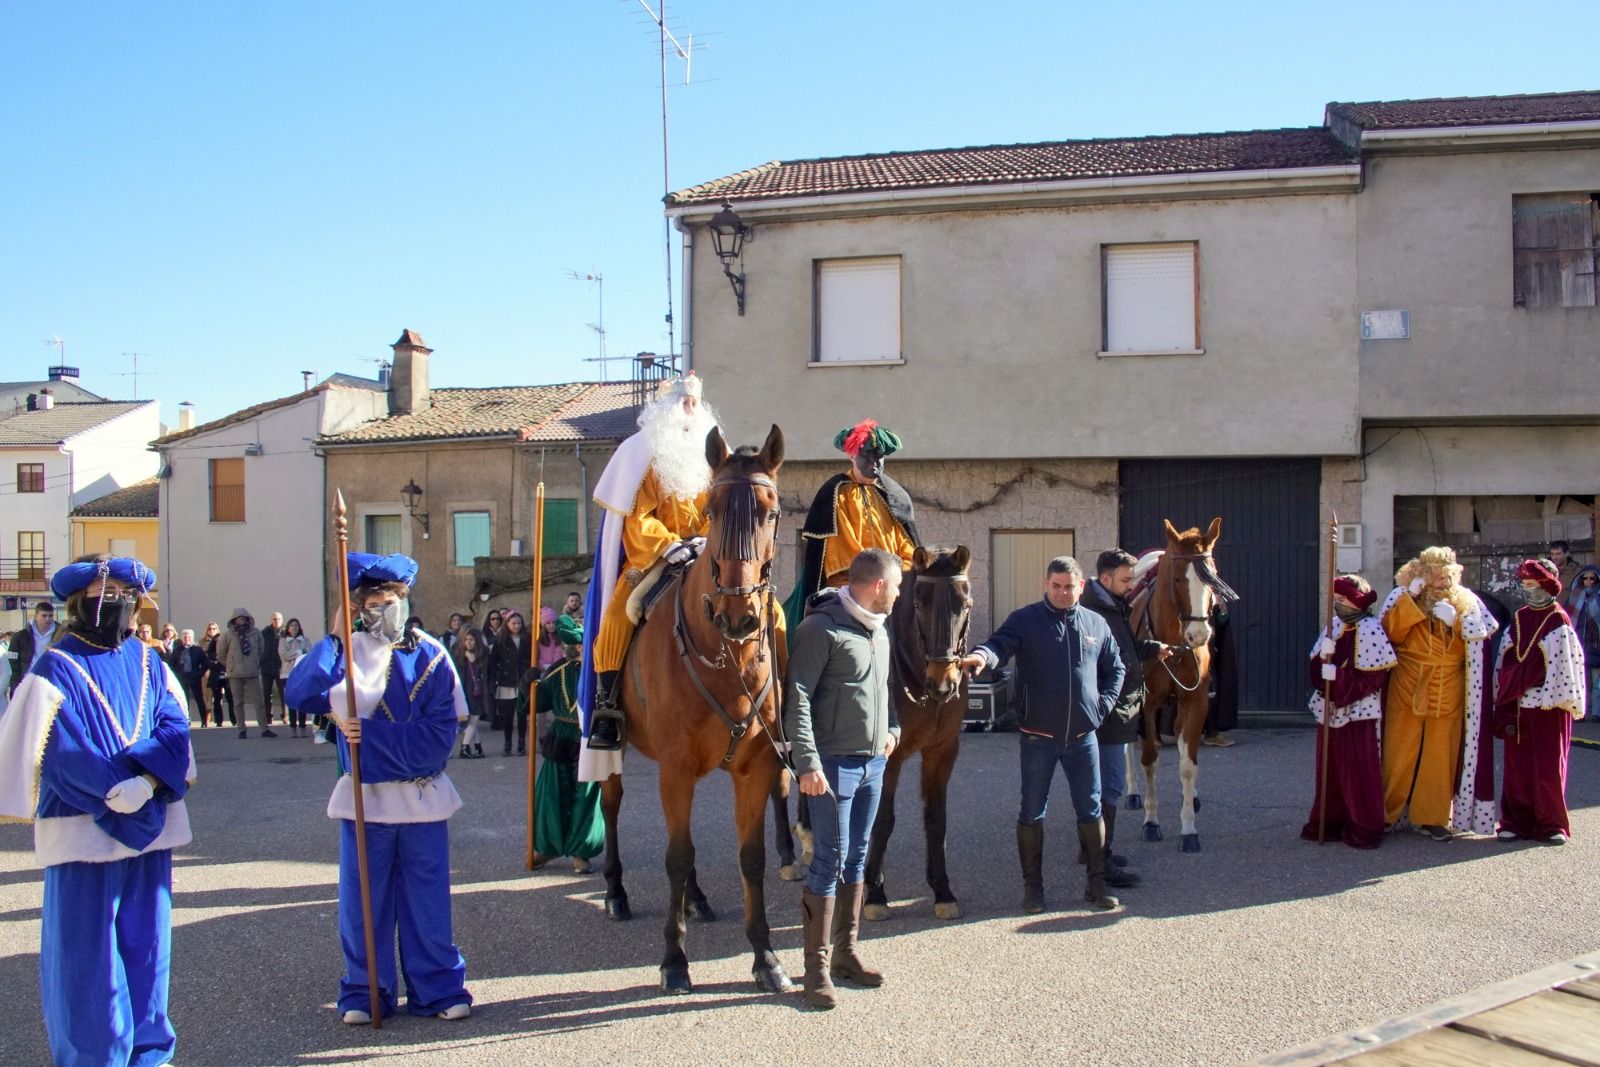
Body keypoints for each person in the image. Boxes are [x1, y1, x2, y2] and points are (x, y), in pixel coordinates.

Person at [0, 554, 193, 1066]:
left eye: (126, 595)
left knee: (148, 948)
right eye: (105, 595)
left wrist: (148, 782)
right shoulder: (54, 667)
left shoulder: (150, 662)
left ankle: (149, 1054)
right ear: (78, 601)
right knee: (87, 960)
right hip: (83, 828)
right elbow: (58, 750)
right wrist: (113, 791)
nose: (117, 603)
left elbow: (174, 727)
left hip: (149, 820)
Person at [284, 551, 472, 1025]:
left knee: (428, 903)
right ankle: (366, 991)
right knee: (363, 906)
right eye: (371, 603)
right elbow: (300, 694)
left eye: (389, 602)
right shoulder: (344, 652)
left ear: (404, 601)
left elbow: (437, 740)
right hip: (364, 805)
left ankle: (438, 988)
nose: (381, 610)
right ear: (357, 607)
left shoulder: (432, 654)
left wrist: (368, 739)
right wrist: (333, 637)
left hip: (422, 802)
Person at [960, 556, 1125, 914]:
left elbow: (1116, 668)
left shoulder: (1095, 623)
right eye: (1056, 586)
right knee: (1032, 811)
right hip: (1038, 737)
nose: (1063, 592)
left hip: (1083, 736)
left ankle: (1096, 884)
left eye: (1069, 587)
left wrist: (1102, 706)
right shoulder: (1025, 620)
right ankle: (1033, 889)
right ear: (1046, 585)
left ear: (1081, 587)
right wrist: (981, 657)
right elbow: (999, 645)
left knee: (1090, 809)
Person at [784, 548, 902, 1011]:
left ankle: (846, 955)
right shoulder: (821, 629)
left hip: (873, 763)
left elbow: (885, 689)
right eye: (896, 585)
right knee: (828, 860)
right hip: (832, 766)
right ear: (878, 585)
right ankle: (815, 970)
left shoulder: (880, 629)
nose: (898, 593)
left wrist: (893, 730)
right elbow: (797, 697)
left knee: (857, 857)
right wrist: (807, 764)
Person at [583, 373, 717, 757]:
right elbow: (636, 517)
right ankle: (607, 706)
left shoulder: (709, 457)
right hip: (656, 558)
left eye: (695, 403)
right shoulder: (641, 454)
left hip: (704, 553)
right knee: (618, 615)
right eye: (684, 402)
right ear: (668, 408)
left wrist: (706, 539)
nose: (690, 409)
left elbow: (719, 508)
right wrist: (667, 545)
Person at [1379, 546, 1499, 840]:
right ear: (1422, 575)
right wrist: (1410, 602)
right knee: (1398, 750)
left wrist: (1457, 623)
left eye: (1448, 577)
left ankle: (1431, 817)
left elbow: (1482, 641)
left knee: (1440, 753)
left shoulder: (1467, 600)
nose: (1444, 583)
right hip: (1408, 681)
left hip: (1449, 684)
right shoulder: (1402, 596)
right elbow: (1386, 635)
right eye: (1437, 577)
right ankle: (1385, 814)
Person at [1080, 549, 1170, 887]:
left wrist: (1152, 649)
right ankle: (1100, 862)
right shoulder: (1095, 613)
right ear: (1106, 579)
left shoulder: (1113, 607)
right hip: (1107, 716)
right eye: (1126, 580)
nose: (1132, 586)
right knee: (1110, 786)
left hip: (1114, 713)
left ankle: (1093, 851)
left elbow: (1125, 648)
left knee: (1101, 787)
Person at [782, 419, 919, 630]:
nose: (874, 461)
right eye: (867, 454)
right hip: (850, 592)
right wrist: (875, 578)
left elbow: (906, 546)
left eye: (879, 455)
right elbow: (843, 550)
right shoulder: (836, 493)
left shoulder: (894, 495)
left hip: (893, 590)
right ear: (852, 456)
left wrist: (901, 574)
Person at [1492, 559, 1586, 844]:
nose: (1528, 590)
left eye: (1533, 584)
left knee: (1547, 766)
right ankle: (1514, 821)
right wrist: (1512, 683)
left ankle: (1551, 824)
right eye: (1525, 584)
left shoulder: (1558, 619)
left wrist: (1529, 675)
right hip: (1518, 702)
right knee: (1516, 767)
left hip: (1549, 702)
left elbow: (1565, 664)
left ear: (1547, 585)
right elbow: (1507, 654)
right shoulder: (1519, 617)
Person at [1301, 574, 1397, 849]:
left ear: (1358, 601)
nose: (1338, 604)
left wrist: (1339, 679)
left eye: (1343, 599)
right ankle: (1329, 821)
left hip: (1358, 712)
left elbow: (1373, 679)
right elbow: (1315, 672)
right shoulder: (1333, 625)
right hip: (1329, 710)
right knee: (1329, 770)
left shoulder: (1371, 629)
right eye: (1336, 599)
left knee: (1358, 771)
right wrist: (1322, 662)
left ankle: (1364, 825)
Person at [529, 613, 604, 872]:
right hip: (560, 736)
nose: (568, 649)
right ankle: (547, 848)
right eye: (567, 645)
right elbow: (537, 704)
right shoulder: (556, 671)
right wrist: (529, 685)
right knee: (552, 795)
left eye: (572, 645)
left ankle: (581, 852)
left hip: (588, 736)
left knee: (586, 796)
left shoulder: (598, 671)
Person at [217, 607, 275, 738]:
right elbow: (220, 654)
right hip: (235, 674)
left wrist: (254, 662)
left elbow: (261, 649)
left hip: (252, 672)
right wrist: (231, 665)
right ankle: (241, 729)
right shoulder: (227, 635)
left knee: (259, 702)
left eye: (244, 617)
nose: (242, 619)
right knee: (238, 702)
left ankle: (264, 729)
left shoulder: (255, 633)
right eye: (239, 617)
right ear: (234, 620)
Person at [490, 611, 530, 756]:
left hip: (522, 680)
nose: (516, 626)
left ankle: (521, 743)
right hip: (506, 681)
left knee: (522, 714)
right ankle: (507, 744)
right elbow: (494, 661)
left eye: (519, 623)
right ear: (507, 624)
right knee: (508, 715)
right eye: (513, 623)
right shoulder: (501, 640)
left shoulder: (527, 639)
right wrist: (494, 679)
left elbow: (531, 658)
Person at [8, 601, 61, 697]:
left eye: (50, 616)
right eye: (44, 616)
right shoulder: (21, 636)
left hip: (51, 682)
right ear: (36, 616)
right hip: (27, 681)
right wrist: (15, 683)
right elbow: (13, 662)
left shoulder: (60, 635)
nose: (48, 619)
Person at [452, 628, 489, 760]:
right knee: (473, 720)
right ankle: (465, 747)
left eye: (472, 640)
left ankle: (477, 746)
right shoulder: (458, 655)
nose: (468, 642)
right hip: (464, 690)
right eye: (466, 640)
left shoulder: (483, 654)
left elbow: (486, 673)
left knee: (475, 719)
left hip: (478, 691)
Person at [1570, 564, 1600, 716]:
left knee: (1597, 683)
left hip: (1596, 644)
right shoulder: (1575, 596)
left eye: (1592, 578)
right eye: (1585, 578)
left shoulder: (1598, 597)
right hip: (1579, 643)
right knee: (1579, 681)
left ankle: (1596, 713)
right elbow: (1569, 619)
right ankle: (1580, 712)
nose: (1589, 581)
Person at [172, 628, 213, 726]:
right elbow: (172, 664)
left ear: (192, 638)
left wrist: (200, 673)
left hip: (195, 678)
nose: (187, 639)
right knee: (183, 701)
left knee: (199, 699)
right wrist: (176, 675)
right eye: (185, 637)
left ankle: (204, 721)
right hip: (182, 678)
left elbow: (205, 663)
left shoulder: (198, 649)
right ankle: (186, 720)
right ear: (182, 638)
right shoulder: (177, 650)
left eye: (189, 637)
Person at [278, 618, 311, 738]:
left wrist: (301, 654)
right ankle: (292, 727)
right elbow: (284, 655)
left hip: (302, 672)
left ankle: (302, 727)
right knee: (291, 700)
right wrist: (298, 653)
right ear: (288, 628)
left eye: (296, 625)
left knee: (302, 700)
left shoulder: (305, 640)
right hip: (287, 673)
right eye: (291, 625)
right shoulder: (283, 641)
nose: (294, 627)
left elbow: (309, 653)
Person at [203, 620, 234, 727]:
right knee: (217, 699)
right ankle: (219, 721)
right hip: (216, 676)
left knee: (230, 698)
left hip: (227, 676)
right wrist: (215, 663)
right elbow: (208, 662)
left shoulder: (229, 651)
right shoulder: (211, 652)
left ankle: (234, 720)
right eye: (217, 641)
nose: (220, 643)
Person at [260, 611, 285, 726]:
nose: (277, 621)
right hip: (267, 666)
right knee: (266, 693)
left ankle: (285, 715)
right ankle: (268, 717)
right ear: (271, 620)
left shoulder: (285, 632)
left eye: (279, 619)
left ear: (282, 620)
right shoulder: (265, 632)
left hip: (281, 667)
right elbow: (259, 647)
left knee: (283, 693)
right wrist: (261, 661)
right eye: (274, 619)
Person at [1549, 541, 1581, 609]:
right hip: (1549, 611)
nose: (1554, 557)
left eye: (1558, 554)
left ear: (1567, 553)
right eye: (1552, 554)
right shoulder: (1546, 571)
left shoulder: (1577, 572)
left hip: (1569, 611)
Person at [535, 606, 565, 672]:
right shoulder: (540, 639)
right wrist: (544, 665)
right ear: (544, 625)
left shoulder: (561, 637)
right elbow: (537, 656)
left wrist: (555, 666)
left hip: (558, 670)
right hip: (544, 671)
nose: (551, 625)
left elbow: (562, 655)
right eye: (548, 623)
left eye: (553, 622)